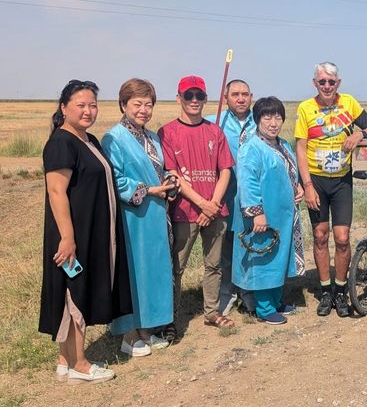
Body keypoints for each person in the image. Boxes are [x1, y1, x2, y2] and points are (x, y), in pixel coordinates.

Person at [40, 79, 132, 383]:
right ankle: (80, 364)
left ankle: (64, 360)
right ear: (64, 108)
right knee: (73, 291)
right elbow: (56, 192)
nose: (88, 110)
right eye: (81, 105)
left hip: (89, 232)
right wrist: (68, 237)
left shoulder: (88, 139)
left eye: (93, 104)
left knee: (76, 288)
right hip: (72, 234)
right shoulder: (61, 143)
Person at [295, 61, 367, 317]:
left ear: (338, 83)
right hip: (317, 181)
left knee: (342, 238)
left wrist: (359, 135)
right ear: (315, 83)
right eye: (322, 82)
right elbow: (300, 147)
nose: (327, 86)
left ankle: (341, 291)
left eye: (332, 82)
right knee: (320, 236)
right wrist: (307, 185)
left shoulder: (349, 103)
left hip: (342, 181)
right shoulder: (306, 108)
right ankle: (325, 291)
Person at [102, 78, 179, 357]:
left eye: (148, 104)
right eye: (137, 104)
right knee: (133, 273)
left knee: (153, 272)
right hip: (132, 216)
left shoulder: (152, 137)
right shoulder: (113, 138)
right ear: (123, 105)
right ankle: (129, 334)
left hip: (156, 216)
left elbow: (163, 167)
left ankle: (148, 329)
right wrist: (148, 190)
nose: (143, 110)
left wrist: (170, 179)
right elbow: (114, 179)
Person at [158, 75, 235, 339]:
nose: (194, 101)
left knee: (213, 264)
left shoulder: (215, 131)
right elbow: (173, 174)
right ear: (178, 98)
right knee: (176, 266)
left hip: (215, 210)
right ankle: (170, 317)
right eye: (188, 96)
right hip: (184, 211)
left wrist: (213, 204)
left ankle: (212, 311)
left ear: (205, 99)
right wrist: (202, 204)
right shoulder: (167, 132)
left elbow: (224, 170)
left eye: (199, 96)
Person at [231, 96, 305, 325]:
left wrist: (298, 187)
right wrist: (256, 213)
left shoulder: (283, 144)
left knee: (279, 257)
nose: (273, 123)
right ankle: (264, 308)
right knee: (263, 258)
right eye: (267, 117)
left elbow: (289, 172)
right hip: (264, 215)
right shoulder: (251, 147)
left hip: (283, 214)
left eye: (278, 117)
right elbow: (248, 182)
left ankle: (276, 300)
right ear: (257, 120)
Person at [205, 79, 256, 317]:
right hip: (226, 194)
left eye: (245, 94)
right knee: (225, 246)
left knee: (248, 245)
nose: (241, 98)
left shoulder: (261, 121)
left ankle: (248, 292)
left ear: (251, 97)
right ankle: (227, 293)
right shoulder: (216, 122)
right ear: (225, 97)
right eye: (235, 94)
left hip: (252, 196)